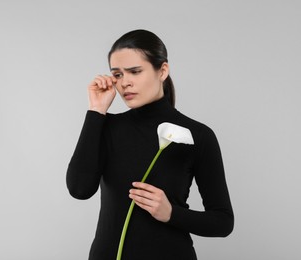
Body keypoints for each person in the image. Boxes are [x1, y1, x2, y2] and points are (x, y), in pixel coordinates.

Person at [66, 29, 234, 260]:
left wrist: (171, 213)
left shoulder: (198, 135)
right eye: (117, 74)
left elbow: (223, 222)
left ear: (162, 70)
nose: (125, 83)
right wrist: (96, 111)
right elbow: (79, 189)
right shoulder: (106, 126)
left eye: (135, 72)